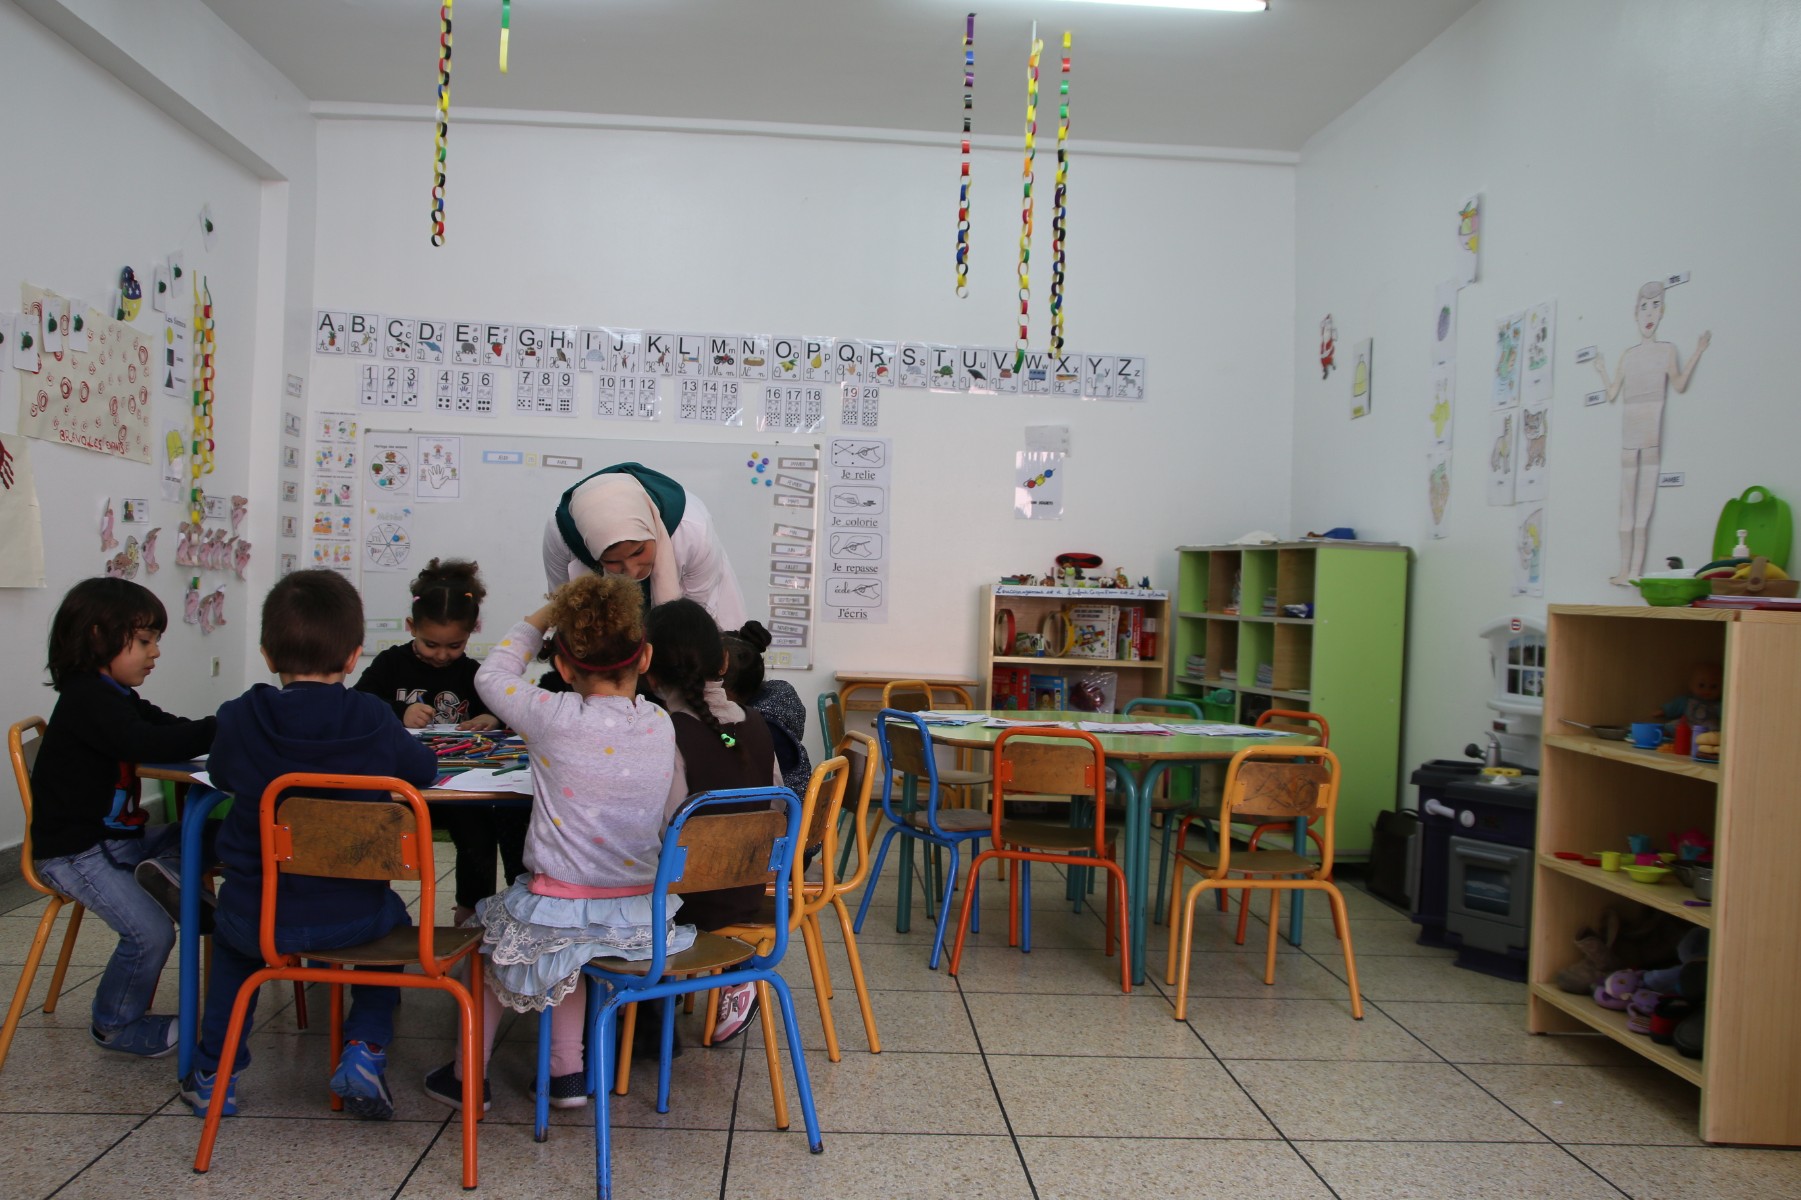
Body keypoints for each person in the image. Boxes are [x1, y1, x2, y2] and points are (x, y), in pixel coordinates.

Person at [422, 574, 684, 1111]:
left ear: (562, 669)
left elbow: (493, 673)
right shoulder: (660, 722)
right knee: (567, 953)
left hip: (562, 900)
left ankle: (467, 1073)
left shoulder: (551, 714)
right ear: (646, 657)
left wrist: (548, 612)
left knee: (489, 943)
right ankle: (567, 1073)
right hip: (640, 911)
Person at [182, 570, 437, 1120]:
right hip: (353, 916)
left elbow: (223, 774)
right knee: (393, 921)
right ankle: (365, 1045)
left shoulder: (241, 715)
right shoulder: (371, 715)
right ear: (353, 657)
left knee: (231, 948)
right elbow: (423, 769)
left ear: (268, 654)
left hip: (260, 916)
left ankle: (214, 1073)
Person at [30, 578, 216, 1058]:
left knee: (206, 834)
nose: (154, 654)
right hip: (76, 853)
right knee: (150, 933)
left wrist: (219, 727)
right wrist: (224, 728)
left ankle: (171, 877)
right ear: (98, 636)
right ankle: (115, 1025)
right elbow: (147, 743)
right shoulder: (86, 699)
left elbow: (166, 726)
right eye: (145, 642)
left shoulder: (114, 695)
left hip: (119, 840)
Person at [354, 557, 525, 925]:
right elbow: (359, 704)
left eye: (455, 645)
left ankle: (470, 910)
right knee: (371, 824)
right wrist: (399, 712)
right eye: (431, 644)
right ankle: (368, 904)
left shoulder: (473, 673)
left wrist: (490, 717)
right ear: (411, 626)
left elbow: (508, 712)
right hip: (402, 787)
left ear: (471, 633)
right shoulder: (390, 664)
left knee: (479, 831)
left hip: (458, 789)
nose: (443, 655)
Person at [645, 598, 782, 1045]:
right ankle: (734, 972)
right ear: (723, 661)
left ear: (648, 670)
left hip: (683, 908)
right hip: (750, 892)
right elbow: (777, 808)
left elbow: (661, 834)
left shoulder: (667, 735)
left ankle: (640, 1025)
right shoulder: (758, 724)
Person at [1593, 280, 1710, 585]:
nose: (1649, 313)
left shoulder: (1667, 351)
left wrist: (1697, 351)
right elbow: (1612, 392)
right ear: (1635, 313)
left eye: (1655, 305)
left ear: (1663, 311)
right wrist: (1602, 369)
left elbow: (1680, 383)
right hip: (1629, 434)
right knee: (1626, 509)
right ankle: (1624, 570)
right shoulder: (1629, 356)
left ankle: (1634, 571)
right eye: (1644, 306)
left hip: (1650, 433)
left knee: (1642, 509)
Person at [542, 462, 746, 630]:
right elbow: (566, 606)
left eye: (638, 551)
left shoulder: (692, 529)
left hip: (690, 617)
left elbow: (694, 618)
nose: (632, 570)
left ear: (651, 528)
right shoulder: (562, 534)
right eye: (612, 562)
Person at [722, 620, 811, 799]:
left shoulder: (754, 725)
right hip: (800, 807)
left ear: (726, 688)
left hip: (781, 817)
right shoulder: (778, 698)